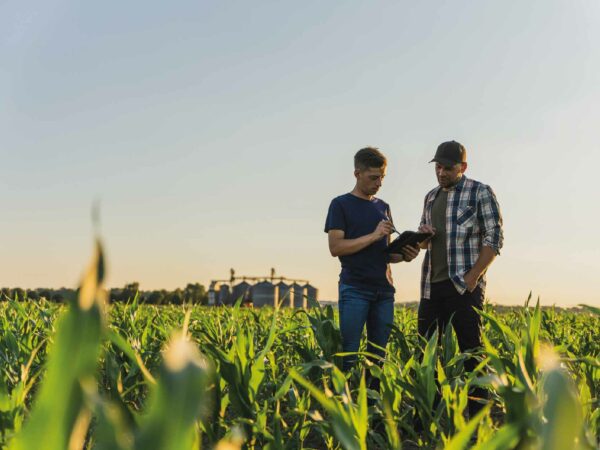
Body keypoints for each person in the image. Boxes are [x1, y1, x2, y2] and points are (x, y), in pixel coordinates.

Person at [417, 140, 504, 417]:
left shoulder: (480, 192)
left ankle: (478, 417)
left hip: (464, 287)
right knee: (426, 354)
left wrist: (473, 276)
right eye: (438, 167)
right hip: (432, 286)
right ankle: (429, 416)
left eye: (448, 168)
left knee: (472, 353)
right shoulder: (430, 197)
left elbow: (495, 237)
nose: (441, 173)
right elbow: (424, 245)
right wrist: (422, 236)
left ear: (463, 167)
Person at [325, 147, 420, 375]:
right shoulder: (340, 204)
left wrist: (405, 255)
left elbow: (385, 253)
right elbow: (336, 247)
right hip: (355, 288)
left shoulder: (383, 207)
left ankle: (373, 405)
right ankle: (343, 404)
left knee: (378, 355)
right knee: (349, 353)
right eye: (373, 178)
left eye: (382, 178)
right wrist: (374, 235)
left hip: (384, 291)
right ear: (357, 174)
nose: (379, 183)